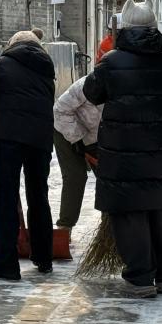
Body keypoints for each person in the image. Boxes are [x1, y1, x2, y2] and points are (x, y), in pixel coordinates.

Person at [83, 0, 162, 298]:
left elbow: (92, 93)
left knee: (130, 214)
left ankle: (141, 279)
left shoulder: (111, 62)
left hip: (123, 155)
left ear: (125, 28)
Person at [0, 30, 56, 280]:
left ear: (12, 45)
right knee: (38, 195)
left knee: (5, 198)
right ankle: (44, 257)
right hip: (40, 139)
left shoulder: (3, 63)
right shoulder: (46, 69)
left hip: (8, 138)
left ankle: (6, 264)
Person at [52, 75, 102, 231]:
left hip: (95, 137)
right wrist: (78, 141)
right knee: (76, 176)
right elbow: (60, 111)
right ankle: (65, 226)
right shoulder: (87, 85)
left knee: (108, 178)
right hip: (64, 129)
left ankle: (111, 226)